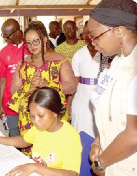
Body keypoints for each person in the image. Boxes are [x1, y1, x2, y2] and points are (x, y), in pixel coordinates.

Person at [0, 87, 82, 176]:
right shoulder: (41, 128)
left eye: (41, 116)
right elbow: (23, 141)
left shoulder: (70, 136)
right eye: (32, 116)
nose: (36, 121)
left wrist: (35, 167)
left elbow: (72, 173)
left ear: (55, 112)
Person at [8, 21, 77, 156]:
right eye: (28, 43)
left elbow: (71, 86)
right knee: (32, 153)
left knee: (54, 153)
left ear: (45, 39)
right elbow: (14, 90)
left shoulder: (60, 60)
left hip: (54, 115)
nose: (32, 46)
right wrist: (29, 87)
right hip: (29, 117)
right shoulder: (23, 63)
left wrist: (49, 85)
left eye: (35, 41)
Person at [87, 0, 137, 175]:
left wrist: (101, 163)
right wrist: (98, 142)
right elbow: (112, 115)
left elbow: (134, 135)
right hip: (113, 161)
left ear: (120, 31)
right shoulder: (115, 62)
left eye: (95, 35)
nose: (92, 42)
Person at [0, 18, 29, 137]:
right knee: (14, 134)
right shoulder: (3, 52)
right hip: (10, 103)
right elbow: (2, 80)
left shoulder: (30, 47)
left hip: (28, 102)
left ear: (18, 32)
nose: (5, 38)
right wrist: (1, 104)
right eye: (3, 35)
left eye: (8, 35)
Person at [71, 21, 100, 138]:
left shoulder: (106, 53)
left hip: (100, 95)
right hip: (83, 97)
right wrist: (70, 103)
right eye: (86, 33)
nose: (89, 36)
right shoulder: (79, 54)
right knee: (82, 131)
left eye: (91, 33)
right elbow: (75, 82)